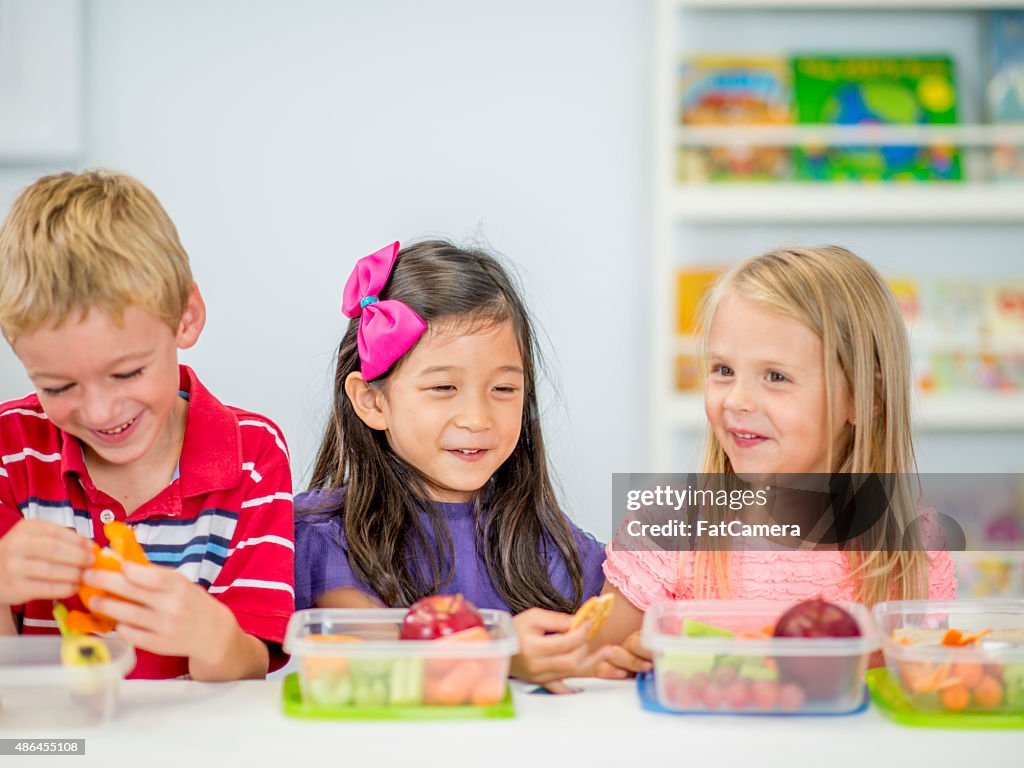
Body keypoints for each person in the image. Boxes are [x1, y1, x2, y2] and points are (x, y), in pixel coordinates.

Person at [592, 246, 957, 676]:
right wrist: (633, 661)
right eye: (723, 370)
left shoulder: (915, 548)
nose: (737, 399)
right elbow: (593, 668)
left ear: (863, 399)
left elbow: (927, 685)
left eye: (776, 377)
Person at [0, 170, 294, 680]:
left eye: (127, 372)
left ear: (186, 317)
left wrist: (209, 632)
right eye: (58, 387)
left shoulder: (253, 454)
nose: (99, 412)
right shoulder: (12, 448)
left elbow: (250, 666)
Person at [295, 240, 606, 692]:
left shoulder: (545, 541)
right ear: (372, 400)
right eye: (443, 387)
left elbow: (619, 627)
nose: (478, 418)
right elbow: (375, 662)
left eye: (503, 389)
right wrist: (500, 653)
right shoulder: (328, 538)